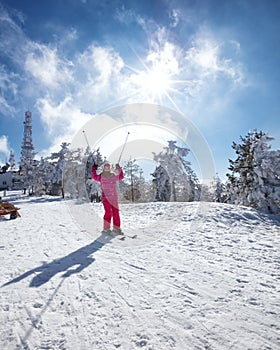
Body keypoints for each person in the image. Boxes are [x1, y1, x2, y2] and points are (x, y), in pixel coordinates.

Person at [92, 161, 124, 235]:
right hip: (106, 198)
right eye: (105, 167)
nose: (107, 168)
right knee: (108, 212)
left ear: (109, 168)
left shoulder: (113, 176)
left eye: (108, 167)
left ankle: (116, 228)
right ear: (103, 168)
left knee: (116, 212)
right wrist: (94, 168)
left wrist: (118, 168)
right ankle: (106, 229)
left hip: (114, 197)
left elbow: (121, 176)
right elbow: (94, 176)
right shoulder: (101, 176)